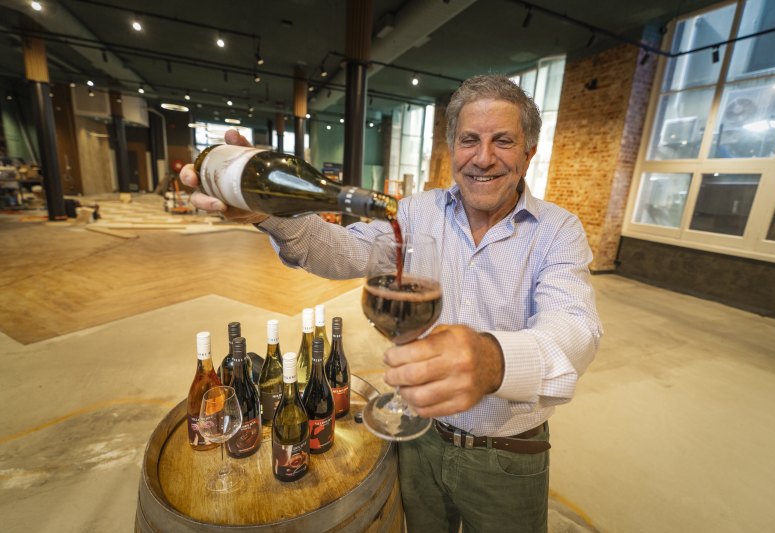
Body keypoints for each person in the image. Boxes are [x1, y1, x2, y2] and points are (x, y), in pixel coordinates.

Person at [181, 74, 602, 532]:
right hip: (415, 442)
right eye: (469, 140)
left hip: (506, 457)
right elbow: (342, 250)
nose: (483, 157)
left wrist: (494, 360)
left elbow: (575, 330)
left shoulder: (558, 231)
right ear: (452, 148)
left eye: (503, 141)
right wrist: (268, 212)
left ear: (528, 153)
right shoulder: (417, 211)